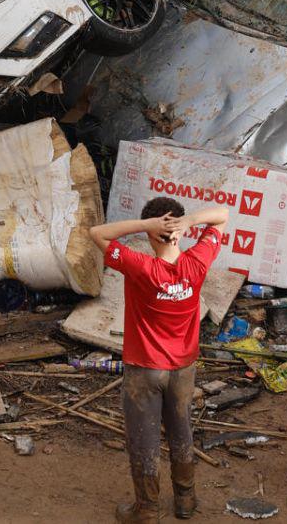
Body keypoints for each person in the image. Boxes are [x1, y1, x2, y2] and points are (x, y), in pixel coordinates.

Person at [88, 199, 229, 523]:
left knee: (144, 438)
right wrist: (189, 220)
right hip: (183, 368)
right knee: (181, 431)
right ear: (180, 232)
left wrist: (147, 225)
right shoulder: (197, 262)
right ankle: (185, 499)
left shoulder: (141, 267)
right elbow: (222, 216)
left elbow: (97, 233)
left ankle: (148, 509)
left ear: (152, 234)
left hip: (145, 369)